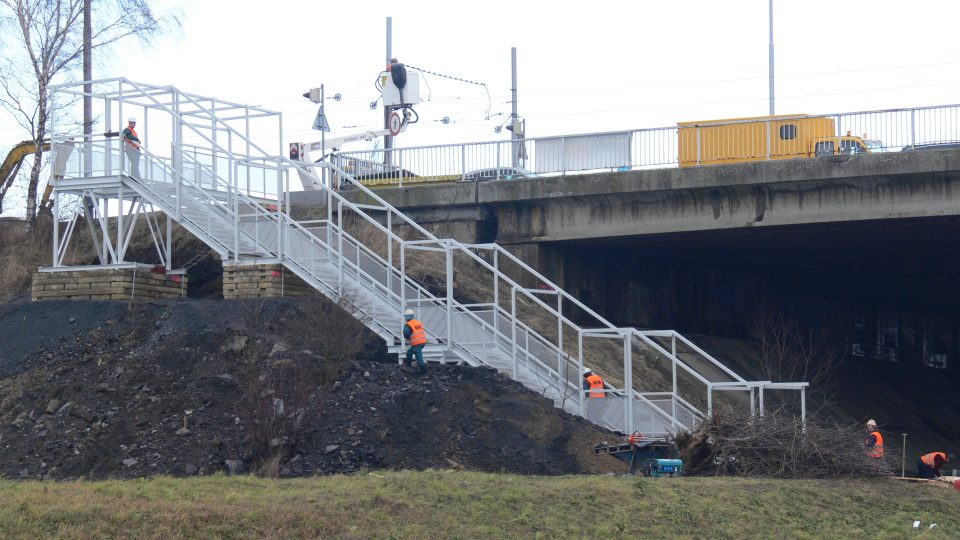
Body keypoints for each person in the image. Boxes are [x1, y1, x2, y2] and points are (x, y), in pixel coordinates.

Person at [402, 309, 427, 376]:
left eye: (405, 316)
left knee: (419, 358)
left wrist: (407, 338)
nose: (405, 318)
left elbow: (406, 333)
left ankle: (424, 373)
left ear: (407, 316)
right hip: (422, 342)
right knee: (409, 353)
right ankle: (408, 366)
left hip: (417, 344)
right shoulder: (417, 322)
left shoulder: (408, 324)